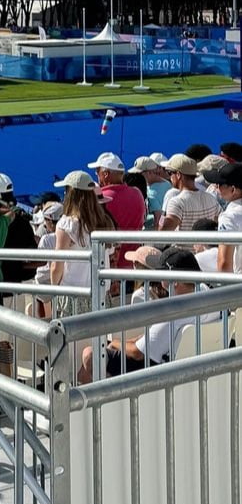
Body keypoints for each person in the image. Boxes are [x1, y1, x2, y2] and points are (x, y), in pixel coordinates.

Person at [78, 248, 220, 382]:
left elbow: (137, 353)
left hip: (155, 370)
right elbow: (150, 339)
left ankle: (92, 404)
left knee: (89, 353)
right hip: (191, 364)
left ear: (174, 280)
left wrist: (114, 343)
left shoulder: (175, 310)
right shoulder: (209, 295)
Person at [49, 171, 116, 314]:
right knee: (100, 336)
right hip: (101, 292)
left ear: (70, 193)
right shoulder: (105, 222)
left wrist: (54, 288)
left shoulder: (67, 224)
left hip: (73, 293)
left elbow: (57, 265)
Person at [88, 152, 144, 269]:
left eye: (97, 172)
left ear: (106, 174)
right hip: (132, 264)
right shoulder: (137, 193)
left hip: (108, 265)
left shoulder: (100, 198)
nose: (96, 175)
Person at [159, 153, 219, 231]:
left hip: (182, 243)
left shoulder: (177, 202)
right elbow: (219, 221)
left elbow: (163, 231)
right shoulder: (211, 198)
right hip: (205, 243)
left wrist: (164, 214)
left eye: (170, 173)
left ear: (178, 175)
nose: (169, 177)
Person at [206, 162, 242, 273]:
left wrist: (226, 289)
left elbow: (224, 264)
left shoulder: (229, 217)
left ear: (233, 190)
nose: (216, 187)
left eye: (219, 184)